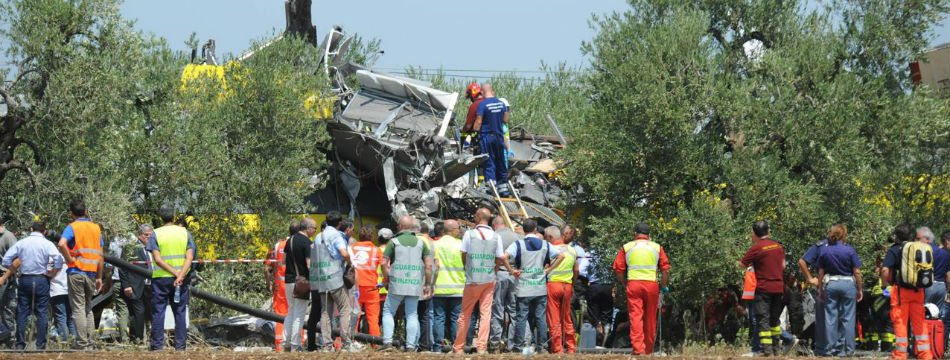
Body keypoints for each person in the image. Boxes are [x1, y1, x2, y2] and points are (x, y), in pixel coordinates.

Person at [453, 208, 518, 354]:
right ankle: (482, 347)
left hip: (473, 279)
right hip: (489, 280)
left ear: (478, 216)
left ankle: (458, 347)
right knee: (486, 314)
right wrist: (494, 271)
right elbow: (500, 258)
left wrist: (467, 267)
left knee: (465, 314)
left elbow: (463, 254)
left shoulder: (469, 234)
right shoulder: (496, 237)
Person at [1, 221, 64, 350]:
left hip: (25, 279)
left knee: (22, 311)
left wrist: (16, 271)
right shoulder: (48, 244)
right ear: (44, 231)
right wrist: (53, 273)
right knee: (42, 312)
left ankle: (20, 344)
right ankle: (40, 345)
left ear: (31, 229)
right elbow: (59, 259)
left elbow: (7, 259)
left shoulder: (22, 242)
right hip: (42, 279)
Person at [613, 222, 670, 355]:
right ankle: (648, 350)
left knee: (635, 316)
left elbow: (618, 268)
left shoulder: (627, 247)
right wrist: (663, 286)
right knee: (650, 318)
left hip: (633, 284)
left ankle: (638, 350)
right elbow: (665, 270)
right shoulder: (657, 247)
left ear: (635, 234)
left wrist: (624, 282)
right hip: (651, 285)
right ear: (649, 235)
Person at [379, 216, 434, 352]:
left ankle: (387, 343)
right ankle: (410, 346)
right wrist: (427, 284)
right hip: (414, 284)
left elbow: (383, 263)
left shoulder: (394, 242)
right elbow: (428, 266)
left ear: (399, 226)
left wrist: (386, 279)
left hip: (397, 284)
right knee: (412, 314)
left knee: (388, 311)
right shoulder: (421, 243)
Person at [505, 219, 559, 352]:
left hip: (523, 288)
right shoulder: (545, 244)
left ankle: (518, 346)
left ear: (523, 230)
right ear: (535, 229)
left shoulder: (518, 244)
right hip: (540, 287)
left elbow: (504, 256)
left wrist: (512, 271)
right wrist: (549, 269)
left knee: (521, 318)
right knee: (540, 318)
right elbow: (561, 255)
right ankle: (542, 346)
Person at [57, 199, 104, 350]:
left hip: (76, 271)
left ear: (71, 214)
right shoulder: (96, 228)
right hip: (91, 273)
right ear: (85, 211)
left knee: (78, 308)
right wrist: (99, 277)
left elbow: (61, 243)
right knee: (88, 308)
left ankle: (82, 343)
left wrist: (69, 258)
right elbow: (101, 256)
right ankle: (90, 342)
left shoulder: (72, 227)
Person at [148, 206, 196, 351]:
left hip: (161, 279)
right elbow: (190, 257)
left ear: (160, 217)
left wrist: (174, 273)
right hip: (180, 280)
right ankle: (180, 347)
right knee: (180, 311)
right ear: (174, 217)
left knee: (158, 312)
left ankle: (157, 346)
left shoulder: (155, 233)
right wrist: (180, 274)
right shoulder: (184, 233)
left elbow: (157, 259)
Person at [883, 223, 932, 360]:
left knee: (901, 323)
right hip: (918, 291)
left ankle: (900, 355)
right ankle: (925, 354)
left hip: (901, 292)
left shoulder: (895, 250)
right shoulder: (915, 248)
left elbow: (885, 269)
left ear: (896, 236)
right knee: (920, 323)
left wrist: (885, 285)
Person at [310, 211, 354, 352]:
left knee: (325, 312)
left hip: (321, 278)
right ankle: (346, 343)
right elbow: (343, 253)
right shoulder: (336, 235)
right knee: (345, 308)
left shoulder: (318, 236)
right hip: (335, 276)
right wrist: (350, 262)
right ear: (339, 223)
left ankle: (327, 345)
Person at [816, 224, 862, 356]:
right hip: (848, 284)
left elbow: (820, 273)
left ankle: (830, 350)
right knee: (848, 318)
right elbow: (857, 272)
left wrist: (820, 289)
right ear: (843, 235)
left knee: (830, 318)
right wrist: (859, 289)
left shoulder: (824, 250)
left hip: (831, 284)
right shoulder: (849, 250)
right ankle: (848, 350)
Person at [739, 221, 785, 357]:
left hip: (763, 289)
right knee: (775, 320)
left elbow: (742, 264)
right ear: (768, 231)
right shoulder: (778, 246)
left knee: (762, 319)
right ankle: (777, 349)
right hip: (778, 287)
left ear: (754, 233)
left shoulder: (756, 248)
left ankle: (767, 350)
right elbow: (783, 266)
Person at [432, 220, 465, 353]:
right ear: (452, 230)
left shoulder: (435, 245)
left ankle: (438, 347)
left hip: (439, 288)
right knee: (456, 319)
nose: (460, 231)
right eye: (458, 228)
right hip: (457, 288)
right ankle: (456, 346)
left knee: (438, 318)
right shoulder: (461, 245)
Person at [489, 216, 521, 352]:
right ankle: (512, 344)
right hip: (514, 275)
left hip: (499, 274)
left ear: (494, 225)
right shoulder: (517, 237)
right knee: (513, 310)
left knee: (498, 309)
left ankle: (495, 343)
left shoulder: (493, 236)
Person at [473, 83, 510, 195]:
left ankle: (491, 186)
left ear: (483, 93)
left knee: (489, 161)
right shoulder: (501, 103)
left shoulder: (482, 104)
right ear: (492, 91)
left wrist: (474, 132)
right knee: (500, 160)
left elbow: (478, 122)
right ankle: (503, 187)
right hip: (499, 137)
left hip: (486, 137)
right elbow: (506, 119)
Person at [546, 226, 578, 354]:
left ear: (550, 237)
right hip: (567, 286)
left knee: (554, 319)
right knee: (567, 318)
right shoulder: (572, 250)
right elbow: (576, 270)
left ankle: (557, 348)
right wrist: (572, 283)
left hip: (554, 285)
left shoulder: (551, 250)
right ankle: (571, 347)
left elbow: (546, 267)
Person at [266, 220, 297, 351]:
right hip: (297, 284)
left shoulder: (278, 245)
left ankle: (279, 344)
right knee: (297, 313)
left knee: (280, 315)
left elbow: (267, 268)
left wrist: (269, 283)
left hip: (281, 286)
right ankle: (297, 342)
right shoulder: (302, 243)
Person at [120, 224, 152, 344]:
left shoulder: (152, 248)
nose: (149, 237)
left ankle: (149, 336)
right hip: (136, 285)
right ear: (140, 235)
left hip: (150, 285)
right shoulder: (131, 247)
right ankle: (139, 338)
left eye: (151, 235)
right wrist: (126, 285)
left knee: (150, 311)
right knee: (139, 312)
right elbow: (122, 267)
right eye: (147, 235)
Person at [797, 233, 829, 355]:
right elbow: (802, 261)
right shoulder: (820, 246)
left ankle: (816, 344)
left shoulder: (844, 246)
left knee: (829, 317)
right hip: (824, 283)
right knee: (823, 317)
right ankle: (814, 345)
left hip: (836, 284)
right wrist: (810, 279)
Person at [350, 225, 382, 340]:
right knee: (373, 318)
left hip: (354, 287)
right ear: (372, 236)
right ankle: (375, 343)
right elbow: (384, 266)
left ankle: (349, 341)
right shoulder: (376, 250)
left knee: (353, 316)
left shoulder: (352, 248)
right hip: (371, 288)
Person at [919, 227, 948, 310]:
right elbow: (948, 274)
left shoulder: (924, 252)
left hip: (928, 285)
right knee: (936, 314)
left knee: (923, 312)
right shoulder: (945, 253)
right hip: (942, 287)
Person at [0, 216, 17, 344]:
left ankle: (10, 338)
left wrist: (5, 277)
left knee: (6, 307)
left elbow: (17, 259)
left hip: (4, 276)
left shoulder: (8, 236)